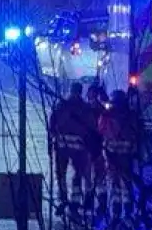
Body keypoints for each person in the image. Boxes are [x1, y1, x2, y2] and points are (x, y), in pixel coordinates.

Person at [48, 82, 95, 211]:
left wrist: (54, 139)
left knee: (60, 174)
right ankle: (75, 201)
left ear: (71, 90)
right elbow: (91, 127)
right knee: (78, 174)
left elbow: (51, 125)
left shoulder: (60, 105)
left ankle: (63, 199)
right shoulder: (85, 108)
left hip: (62, 146)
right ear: (81, 92)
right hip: (79, 147)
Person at [97, 88, 140, 221]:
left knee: (115, 184)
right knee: (127, 184)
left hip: (111, 155)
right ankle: (128, 212)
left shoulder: (106, 116)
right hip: (127, 156)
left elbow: (100, 130)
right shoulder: (132, 115)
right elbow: (138, 134)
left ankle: (116, 212)